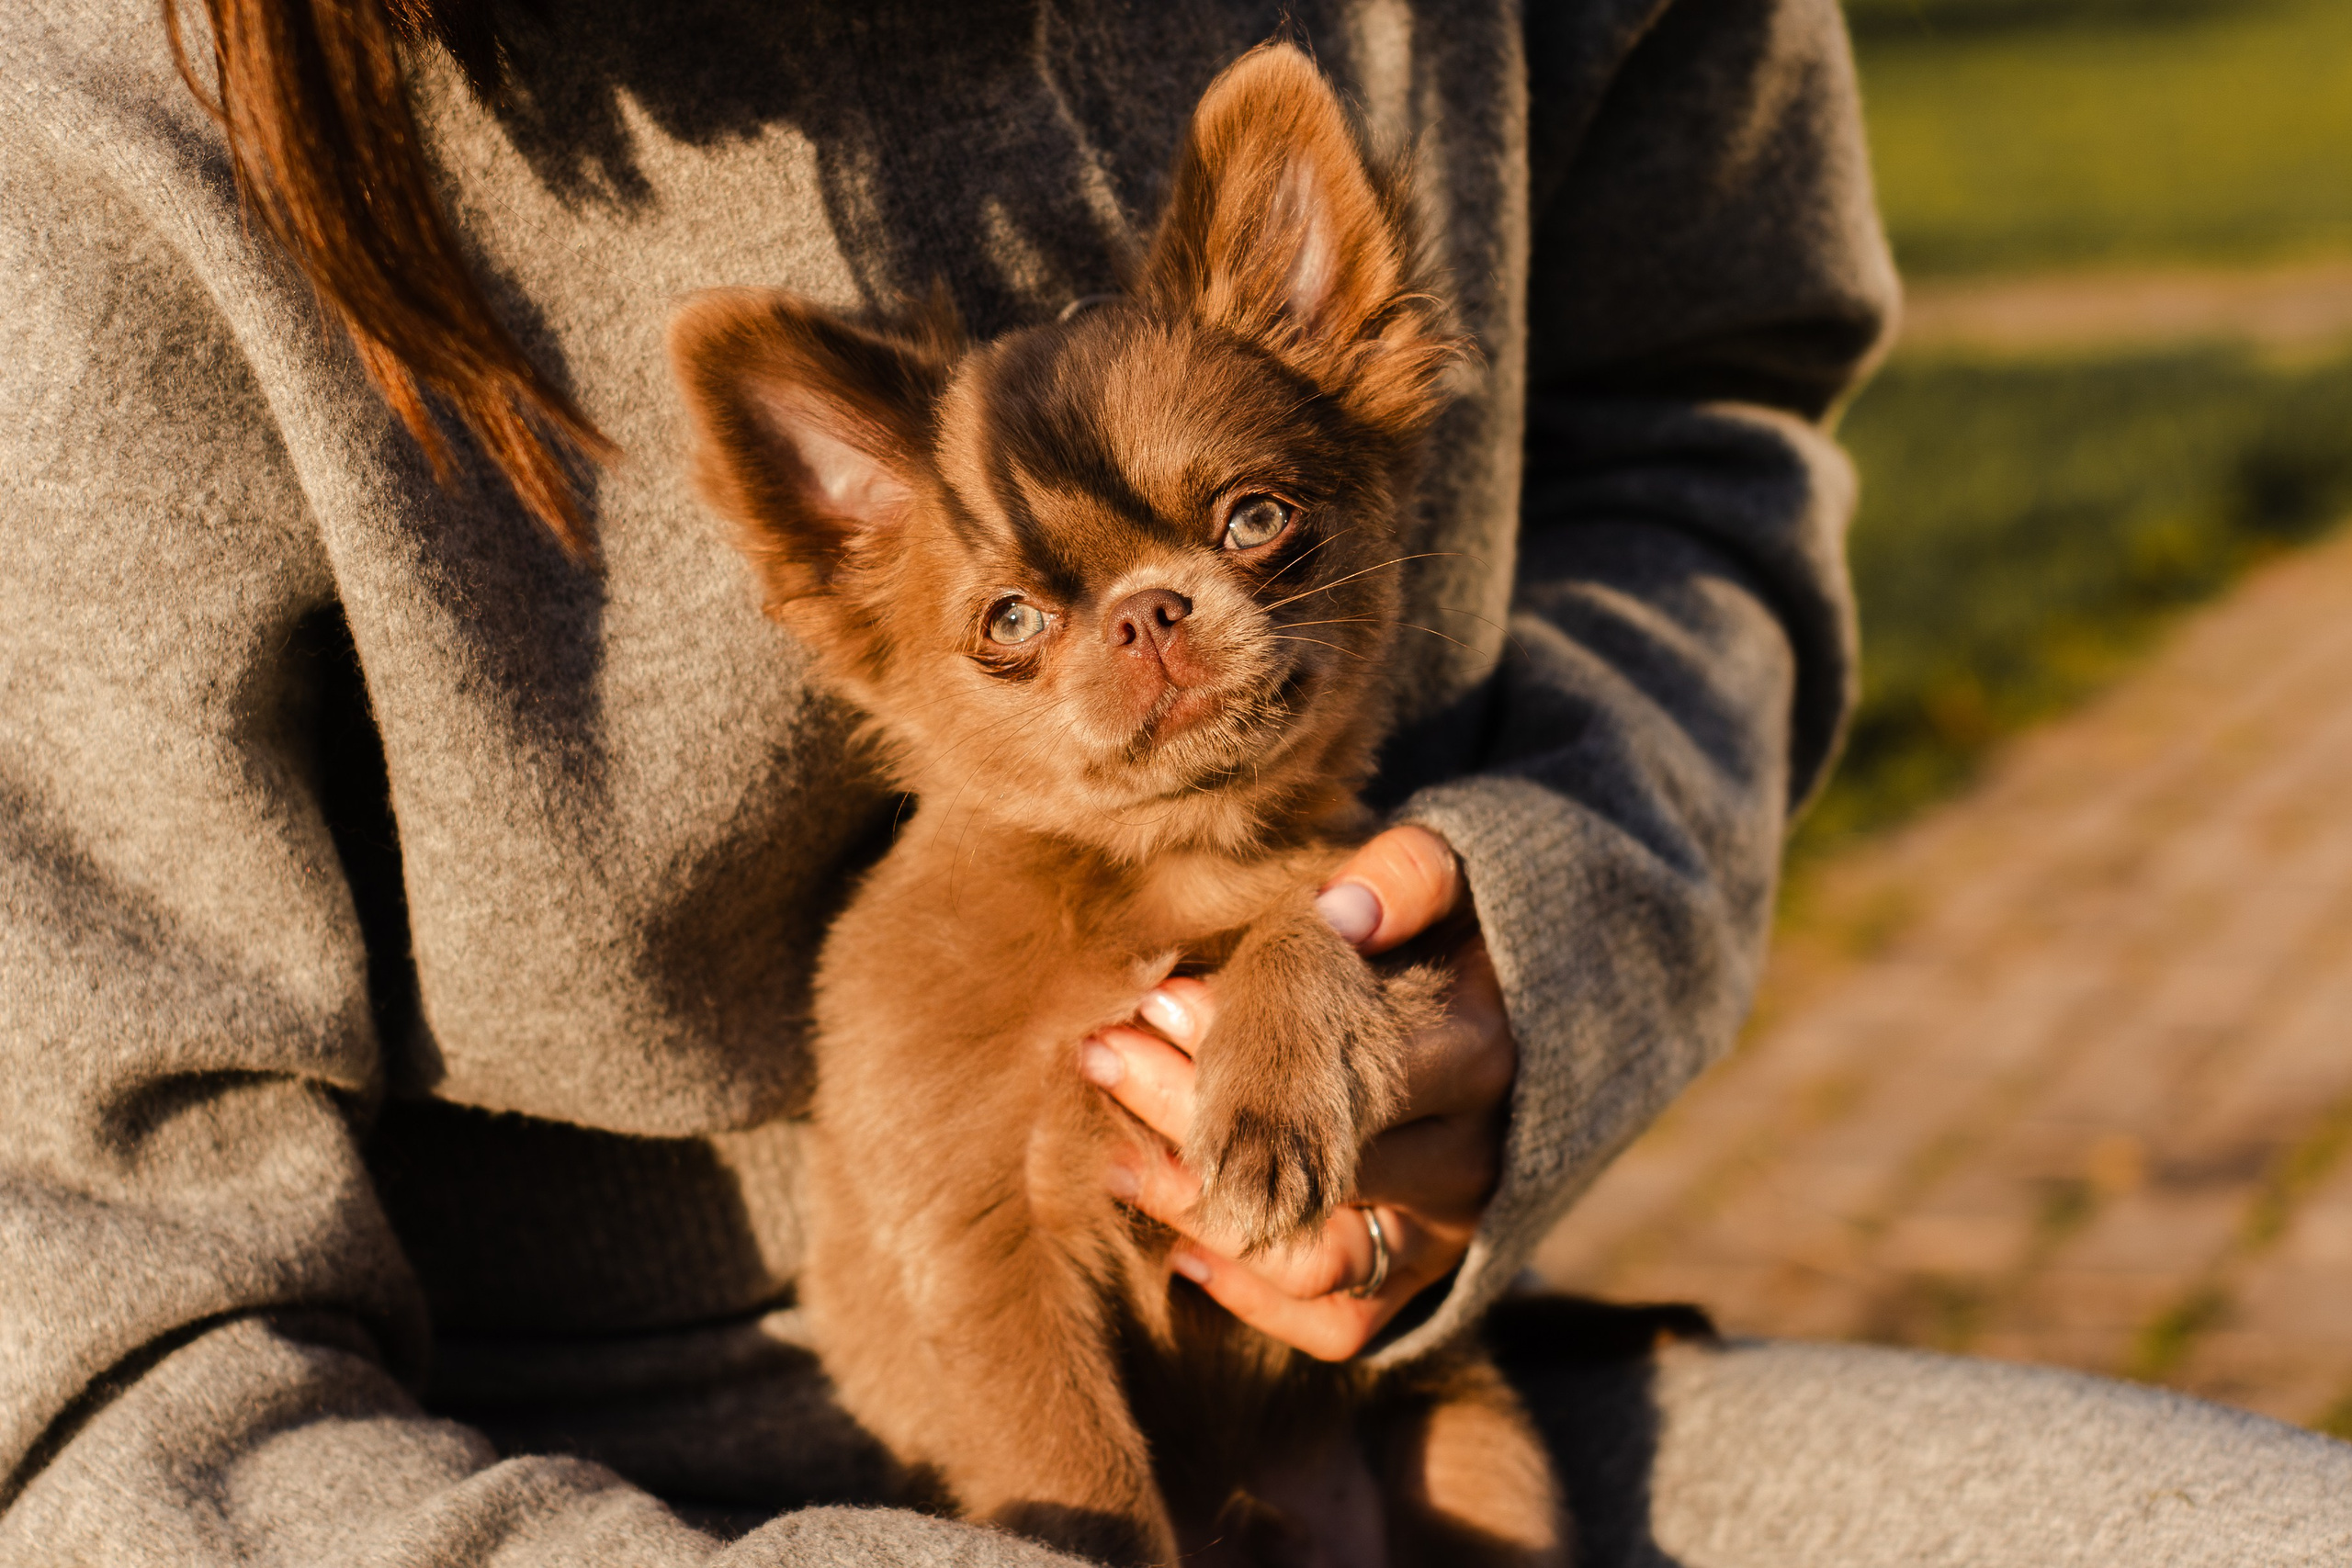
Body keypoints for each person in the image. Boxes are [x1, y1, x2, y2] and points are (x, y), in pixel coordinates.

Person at [2, 1, 2346, 1563]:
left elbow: (1686, 412)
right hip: (514, 1486)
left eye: (1238, 527)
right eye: (1027, 619)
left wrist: (1545, 930)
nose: (1146, 625)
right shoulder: (96, 103)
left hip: (1388, 1417)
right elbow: (89, 1358)